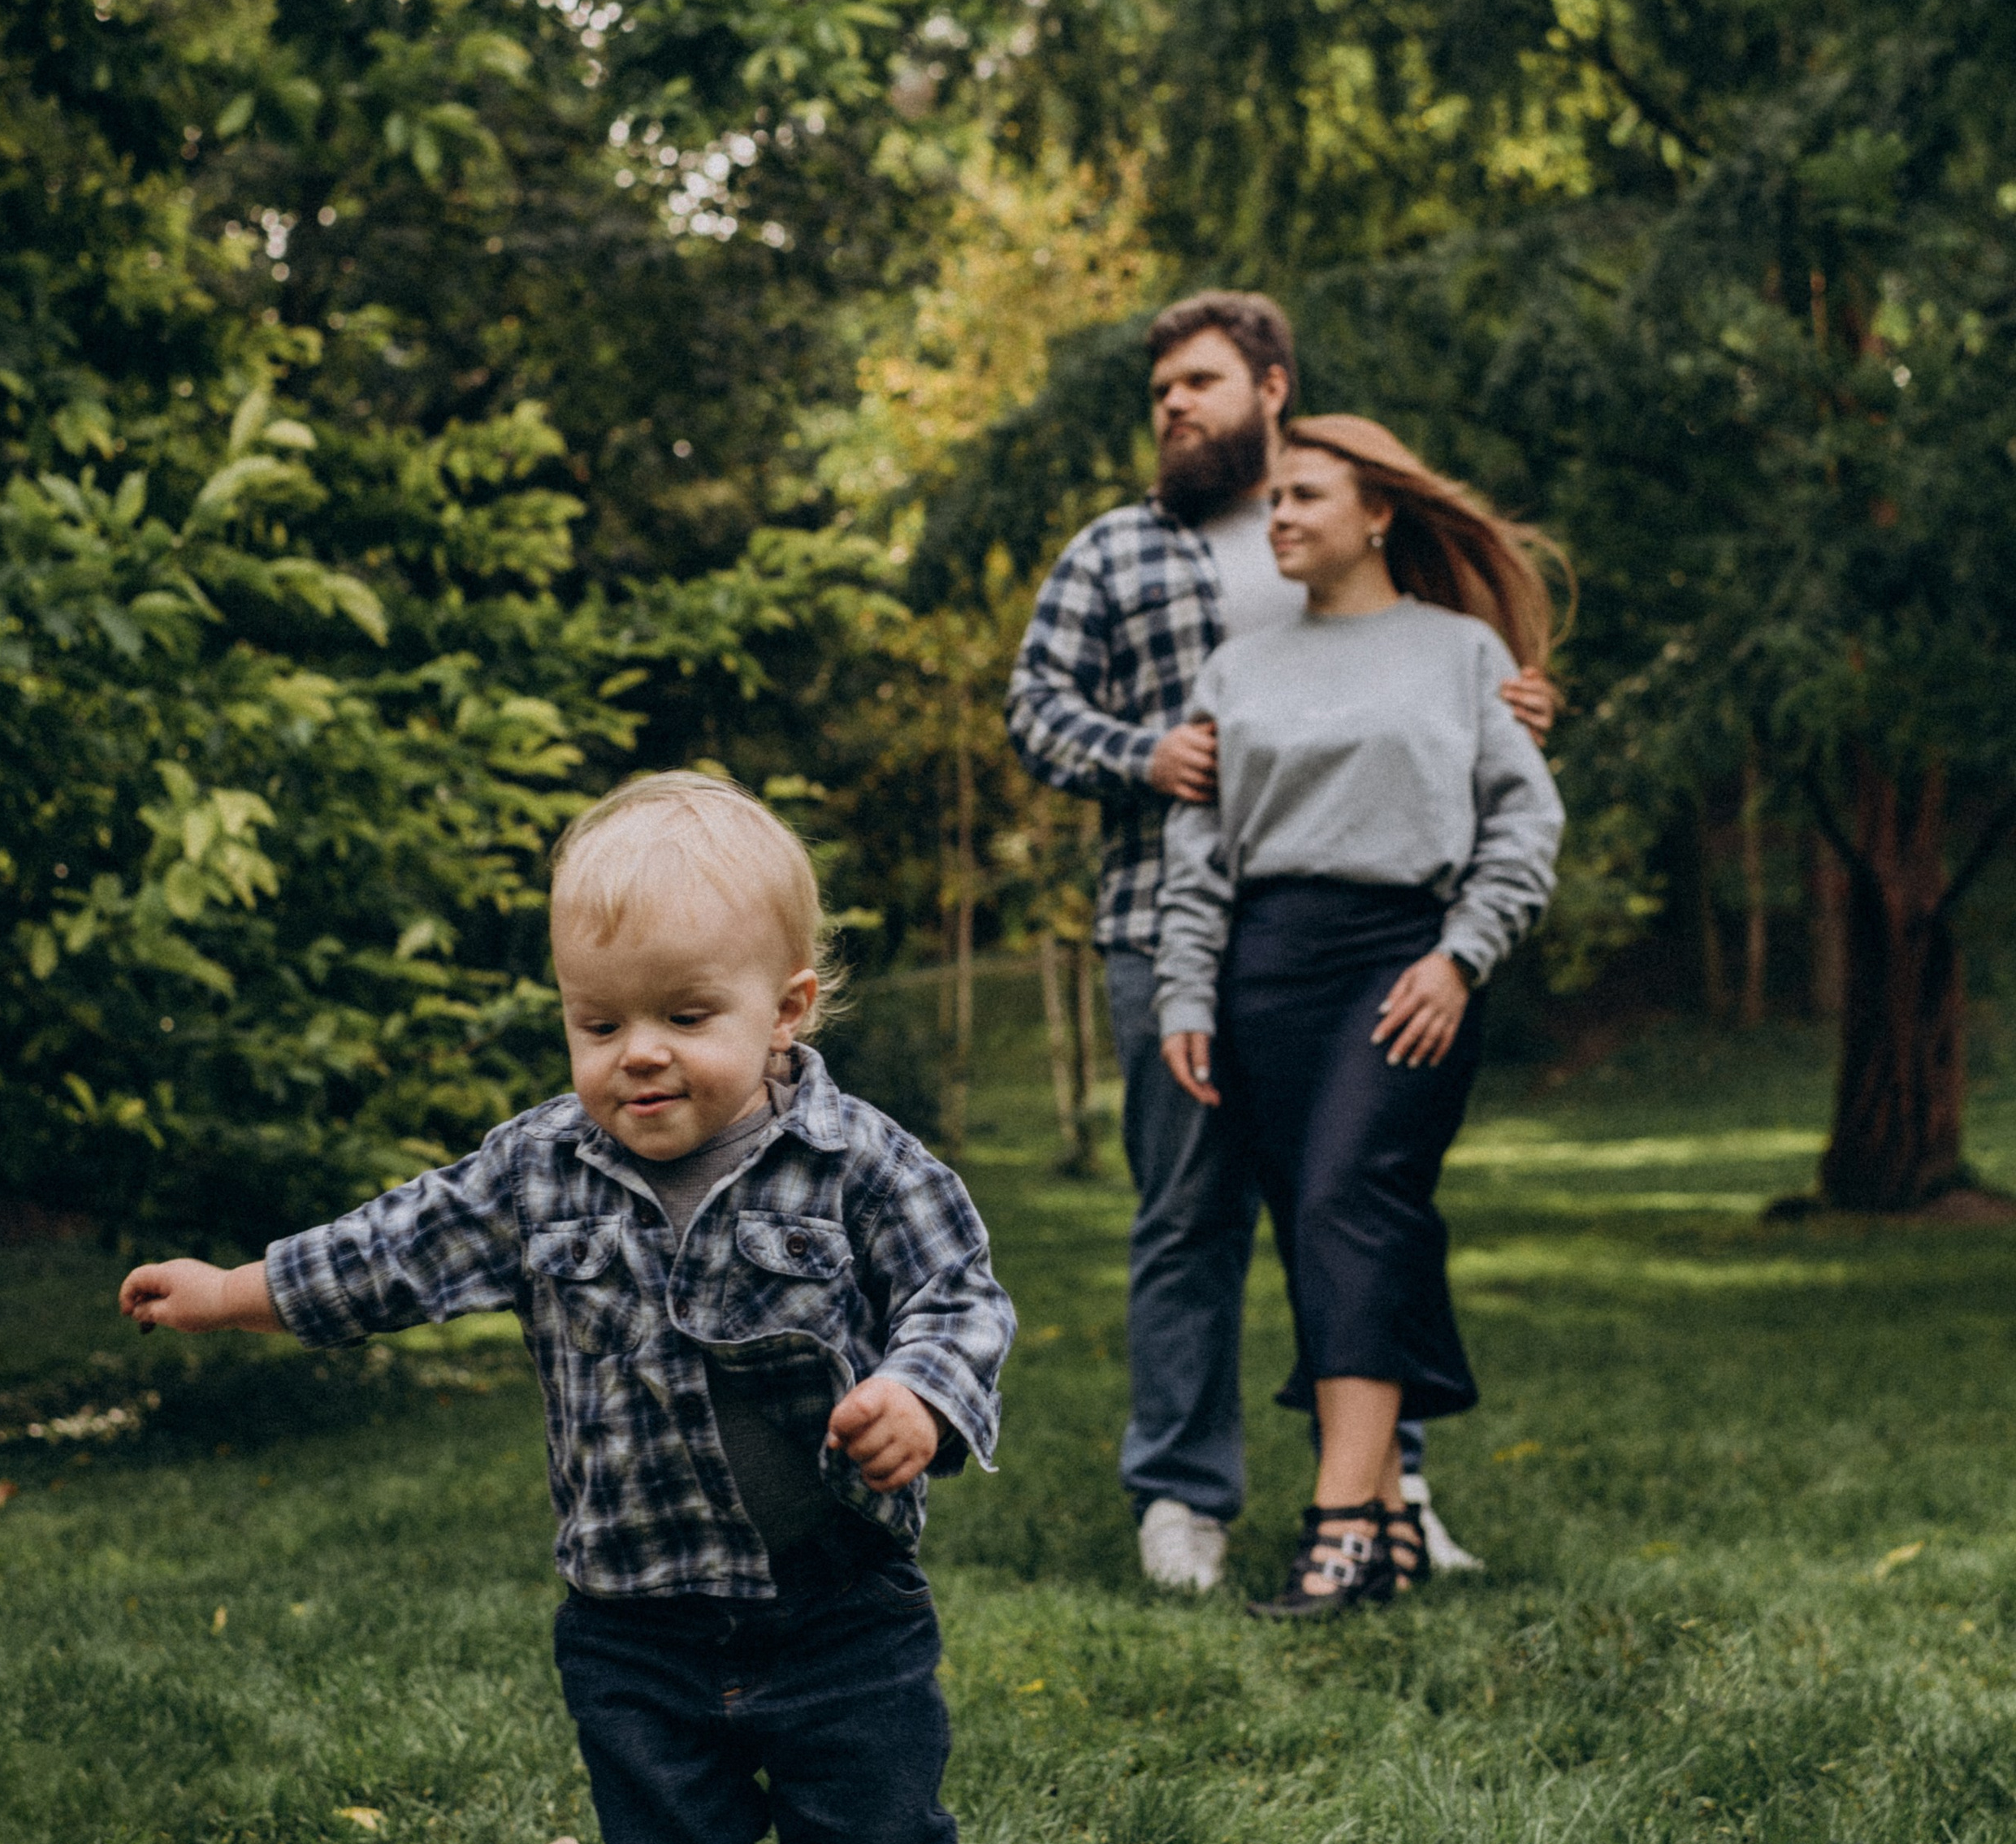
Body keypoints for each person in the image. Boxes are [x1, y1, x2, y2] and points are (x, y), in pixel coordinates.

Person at [119, 773, 1015, 1844]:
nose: (638, 1050)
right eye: (598, 1021)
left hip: (841, 1614)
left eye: (686, 1016)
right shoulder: (538, 1171)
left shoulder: (858, 1164)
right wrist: (232, 1292)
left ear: (787, 1010)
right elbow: (395, 1249)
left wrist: (921, 1390)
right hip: (634, 1630)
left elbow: (956, 1290)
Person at [1005, 291, 1553, 1591]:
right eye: (1160, 394)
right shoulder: (1115, 555)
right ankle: (1185, 1498)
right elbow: (1032, 710)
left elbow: (1450, 700)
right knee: (1191, 1217)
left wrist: (1520, 699)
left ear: (1272, 388)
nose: (1175, 408)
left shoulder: (1354, 538)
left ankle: (1388, 1489)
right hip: (1175, 935)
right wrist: (1145, 753)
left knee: (1357, 1203)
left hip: (1373, 936)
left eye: (1199, 381)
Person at [1153, 415, 1565, 1616]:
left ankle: (1337, 1528)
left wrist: (1461, 957)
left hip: (1402, 962)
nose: (1277, 515)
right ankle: (1384, 1520)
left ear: (1377, 513)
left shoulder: (1462, 652)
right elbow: (1200, 852)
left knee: (1348, 1198)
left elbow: (1524, 824)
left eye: (1305, 495)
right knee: (1332, 1228)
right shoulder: (1237, 666)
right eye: (1273, 498)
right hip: (1264, 968)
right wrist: (1187, 990)